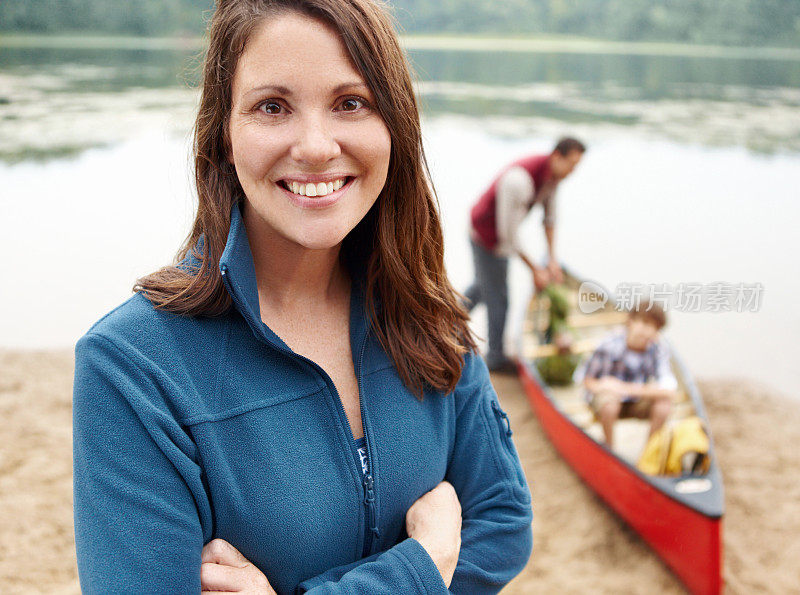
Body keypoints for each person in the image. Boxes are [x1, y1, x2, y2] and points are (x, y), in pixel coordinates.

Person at [71, 1, 533, 594]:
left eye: (350, 103)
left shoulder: (425, 313)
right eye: (272, 107)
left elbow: (502, 525)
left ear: (394, 124)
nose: (316, 146)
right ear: (224, 135)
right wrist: (426, 563)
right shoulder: (133, 367)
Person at [463, 137, 586, 373]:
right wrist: (535, 270)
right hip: (486, 236)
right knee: (499, 299)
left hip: (501, 236)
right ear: (557, 157)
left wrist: (551, 259)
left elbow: (549, 219)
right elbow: (508, 236)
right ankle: (496, 358)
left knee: (483, 286)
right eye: (571, 165)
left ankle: (444, 323)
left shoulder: (552, 179)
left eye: (576, 167)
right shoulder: (519, 181)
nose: (573, 172)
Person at [578, 301, 678, 448]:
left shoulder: (658, 348)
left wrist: (622, 388)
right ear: (630, 321)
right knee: (609, 403)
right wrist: (603, 387)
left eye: (654, 327)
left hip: (635, 399)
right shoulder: (609, 344)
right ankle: (609, 447)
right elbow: (586, 380)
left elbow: (669, 389)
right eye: (644, 323)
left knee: (664, 405)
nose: (647, 331)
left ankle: (649, 453)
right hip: (608, 401)